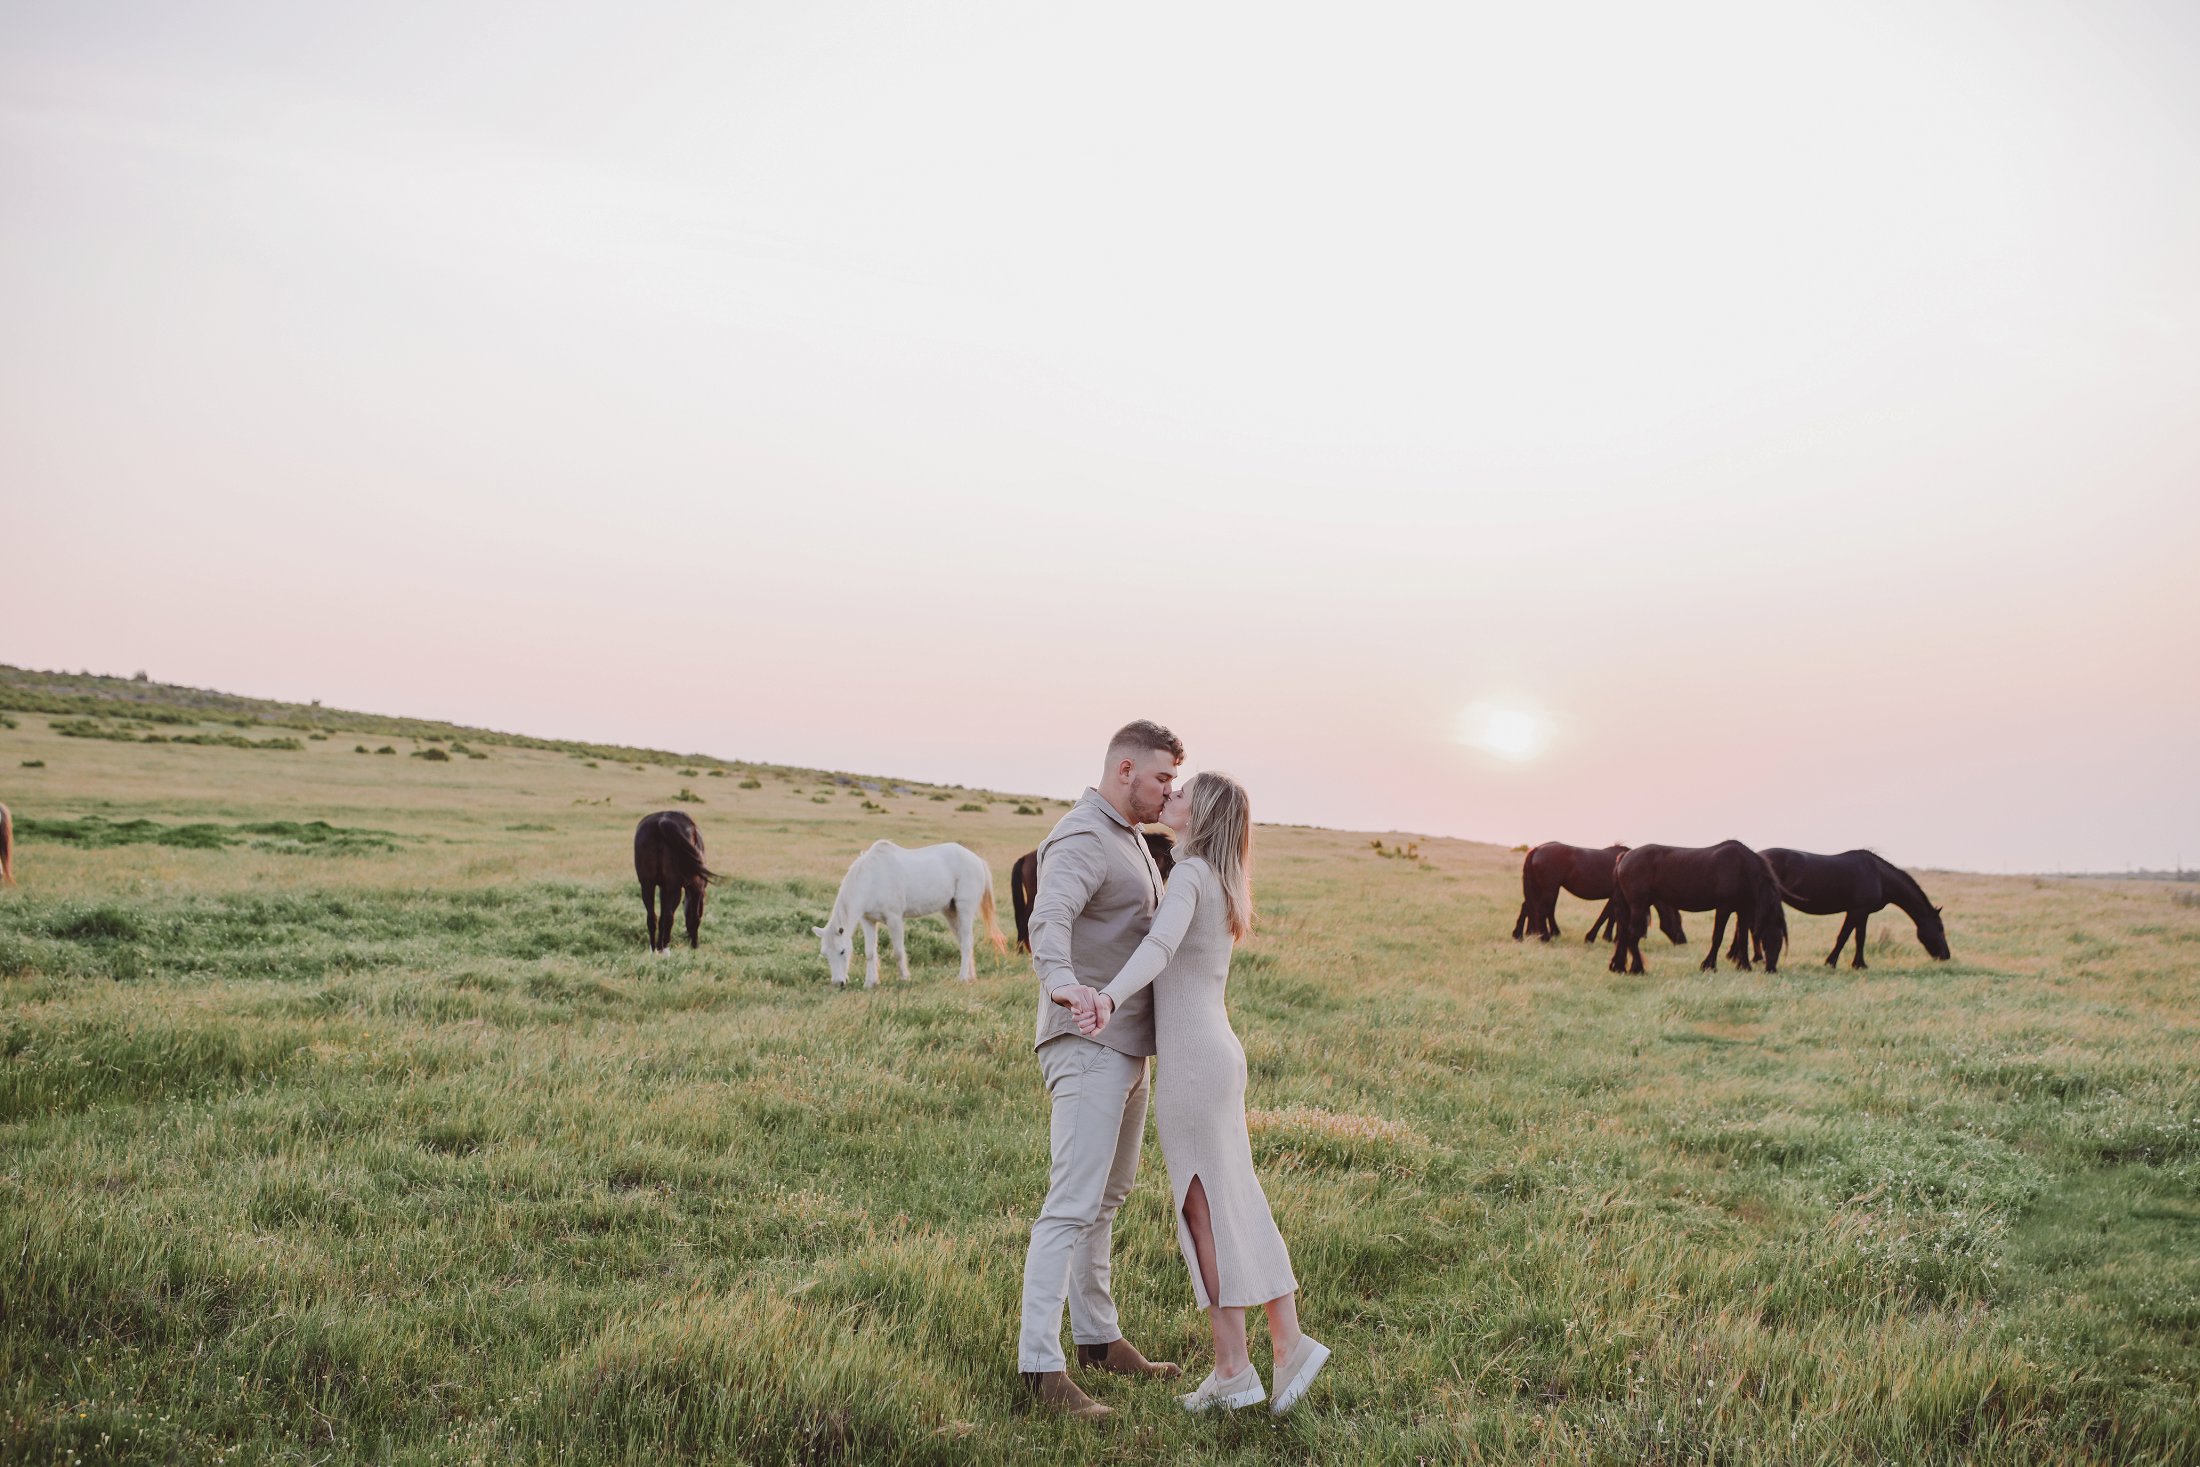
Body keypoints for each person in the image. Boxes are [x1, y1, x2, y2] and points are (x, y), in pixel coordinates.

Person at [1080, 771, 1329, 1415]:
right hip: (1216, 1055)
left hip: (1194, 1065)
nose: (1171, 796)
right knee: (1233, 1199)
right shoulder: (1219, 878)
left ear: (1204, 812)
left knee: (1203, 1212)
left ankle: (1235, 1370)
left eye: (1183, 792)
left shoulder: (1191, 874)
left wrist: (1108, 996)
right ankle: (1283, 1346)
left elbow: (1159, 948)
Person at [1016, 720, 1187, 1421]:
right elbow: (1049, 917)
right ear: (1124, 769)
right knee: (1070, 1203)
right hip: (1087, 1043)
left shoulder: (1131, 837)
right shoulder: (1084, 835)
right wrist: (1061, 981)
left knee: (1106, 1199)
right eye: (1161, 778)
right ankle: (1040, 1367)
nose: (1169, 791)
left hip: (1127, 1046)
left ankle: (1098, 1338)